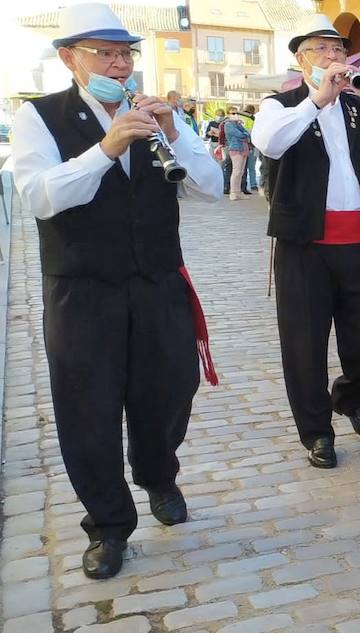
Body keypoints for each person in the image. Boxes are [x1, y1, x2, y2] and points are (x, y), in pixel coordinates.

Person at [10, 3, 223, 579]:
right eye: (105, 53)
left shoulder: (155, 115)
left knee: (170, 390)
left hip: (157, 282)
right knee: (89, 410)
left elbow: (213, 189)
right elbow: (39, 197)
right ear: (69, 58)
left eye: (126, 53)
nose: (120, 64)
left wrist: (178, 134)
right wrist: (105, 149)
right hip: (83, 291)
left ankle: (157, 473)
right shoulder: (40, 117)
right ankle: (107, 524)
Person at [252, 14, 360, 469]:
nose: (334, 57)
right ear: (302, 59)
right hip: (304, 244)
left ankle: (348, 397)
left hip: (358, 240)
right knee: (304, 344)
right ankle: (317, 431)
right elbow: (270, 143)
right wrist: (317, 100)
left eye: (339, 50)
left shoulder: (359, 103)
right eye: (323, 50)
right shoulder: (278, 104)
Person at [223, 112, 250, 200]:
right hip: (236, 149)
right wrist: (245, 135)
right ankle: (233, 192)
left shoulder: (237, 124)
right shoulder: (228, 124)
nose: (236, 115)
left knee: (241, 172)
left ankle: (238, 192)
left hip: (244, 148)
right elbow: (240, 134)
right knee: (236, 171)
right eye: (233, 113)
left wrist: (244, 134)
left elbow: (246, 133)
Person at [241, 104, 258, 194]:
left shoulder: (237, 116)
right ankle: (253, 185)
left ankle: (242, 185)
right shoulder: (252, 119)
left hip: (240, 146)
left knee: (241, 168)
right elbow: (253, 132)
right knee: (252, 167)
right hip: (251, 145)